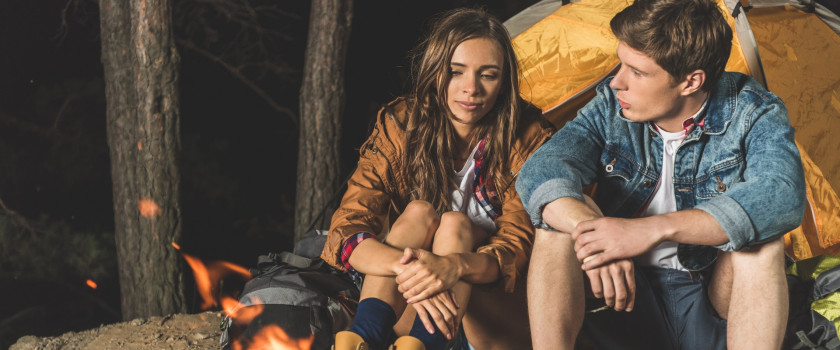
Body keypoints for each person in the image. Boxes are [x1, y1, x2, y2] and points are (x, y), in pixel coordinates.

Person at [515, 0, 806, 349]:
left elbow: (781, 195)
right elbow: (542, 169)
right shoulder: (611, 105)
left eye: (637, 72)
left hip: (710, 295)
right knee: (558, 221)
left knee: (763, 244)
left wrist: (649, 230)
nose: (616, 82)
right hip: (624, 296)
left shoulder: (752, 110)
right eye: (621, 63)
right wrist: (595, 237)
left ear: (690, 81)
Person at [321, 8, 553, 350]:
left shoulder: (528, 136)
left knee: (456, 225)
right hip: (415, 306)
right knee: (417, 213)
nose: (470, 88)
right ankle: (362, 341)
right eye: (456, 72)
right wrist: (418, 270)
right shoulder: (401, 124)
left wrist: (453, 266)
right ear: (435, 72)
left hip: (496, 317)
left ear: (504, 82)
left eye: (488, 75)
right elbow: (348, 227)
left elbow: (515, 249)